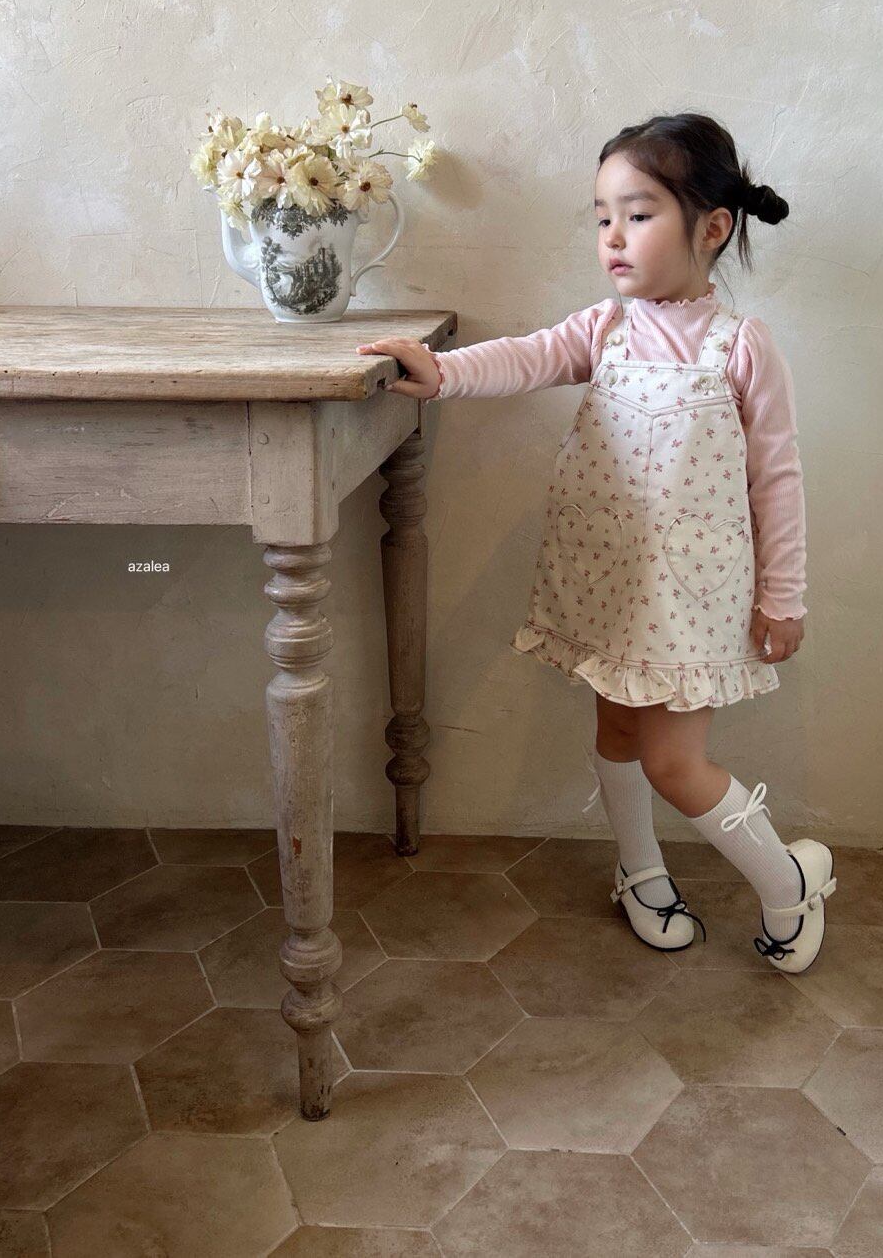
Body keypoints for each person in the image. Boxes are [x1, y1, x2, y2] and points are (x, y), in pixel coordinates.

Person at [356, 112, 835, 973]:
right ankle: (640, 870)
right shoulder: (606, 329)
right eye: (603, 216)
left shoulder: (739, 347)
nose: (613, 236)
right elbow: (528, 357)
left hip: (691, 597)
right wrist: (444, 372)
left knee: (674, 761)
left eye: (638, 214)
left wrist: (784, 597)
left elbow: (778, 477)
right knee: (616, 725)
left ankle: (788, 880)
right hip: (607, 581)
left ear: (712, 228)